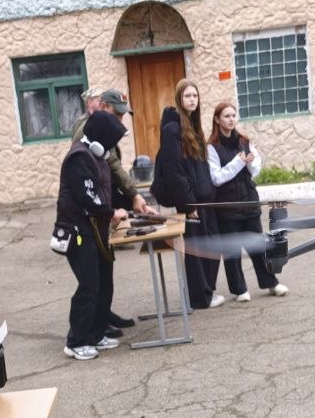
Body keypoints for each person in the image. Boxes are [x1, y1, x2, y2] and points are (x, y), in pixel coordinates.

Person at [71, 88, 155, 334]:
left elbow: (112, 171)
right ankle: (92, 328)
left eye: (122, 114)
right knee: (94, 276)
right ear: (103, 107)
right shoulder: (89, 134)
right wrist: (127, 200)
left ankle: (103, 316)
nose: (120, 119)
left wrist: (133, 199)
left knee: (105, 269)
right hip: (89, 217)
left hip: (103, 208)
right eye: (117, 114)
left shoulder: (105, 130)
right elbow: (106, 171)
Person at [54, 109, 130, 360]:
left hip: (97, 230)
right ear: (100, 136)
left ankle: (96, 333)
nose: (112, 146)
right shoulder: (78, 158)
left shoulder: (98, 158)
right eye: (111, 140)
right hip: (78, 231)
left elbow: (108, 192)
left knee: (104, 283)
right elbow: (88, 197)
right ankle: (76, 341)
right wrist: (112, 212)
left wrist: (131, 204)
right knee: (89, 286)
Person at [206, 101, 288, 303]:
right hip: (227, 206)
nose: (231, 119)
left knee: (257, 246)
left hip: (249, 201)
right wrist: (238, 162)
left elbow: (255, 169)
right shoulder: (212, 147)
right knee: (232, 251)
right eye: (226, 116)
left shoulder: (244, 141)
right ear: (217, 119)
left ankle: (270, 283)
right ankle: (239, 289)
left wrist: (250, 164)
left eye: (233, 115)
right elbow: (216, 178)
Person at [154, 79, 223, 309]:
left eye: (195, 95)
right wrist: (188, 204)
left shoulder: (193, 125)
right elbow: (174, 170)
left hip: (205, 199)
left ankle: (207, 292)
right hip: (192, 201)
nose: (192, 99)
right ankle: (200, 298)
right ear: (179, 99)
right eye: (187, 96)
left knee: (212, 246)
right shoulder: (173, 129)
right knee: (197, 250)